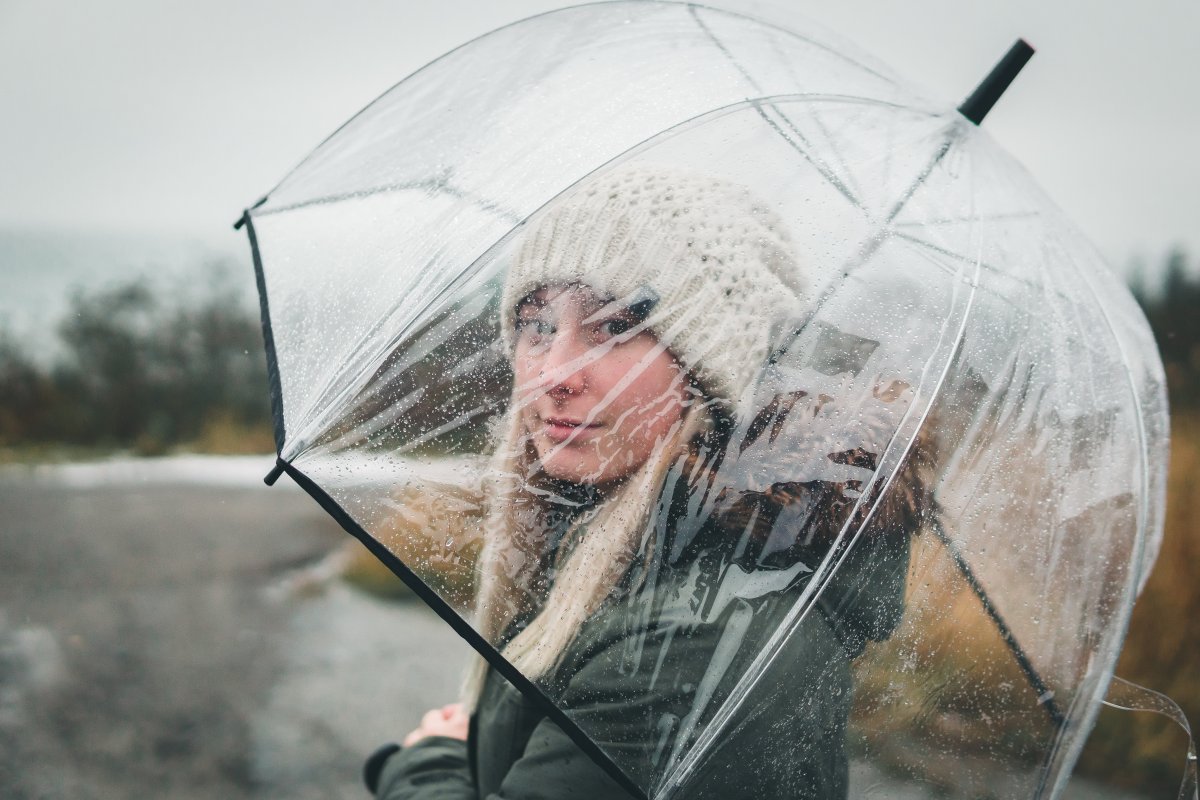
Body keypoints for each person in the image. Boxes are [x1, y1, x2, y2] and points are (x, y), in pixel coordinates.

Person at [365, 165, 931, 799]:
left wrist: (429, 763)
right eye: (538, 325)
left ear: (712, 371)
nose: (556, 373)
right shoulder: (597, 529)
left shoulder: (704, 635)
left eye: (615, 327)